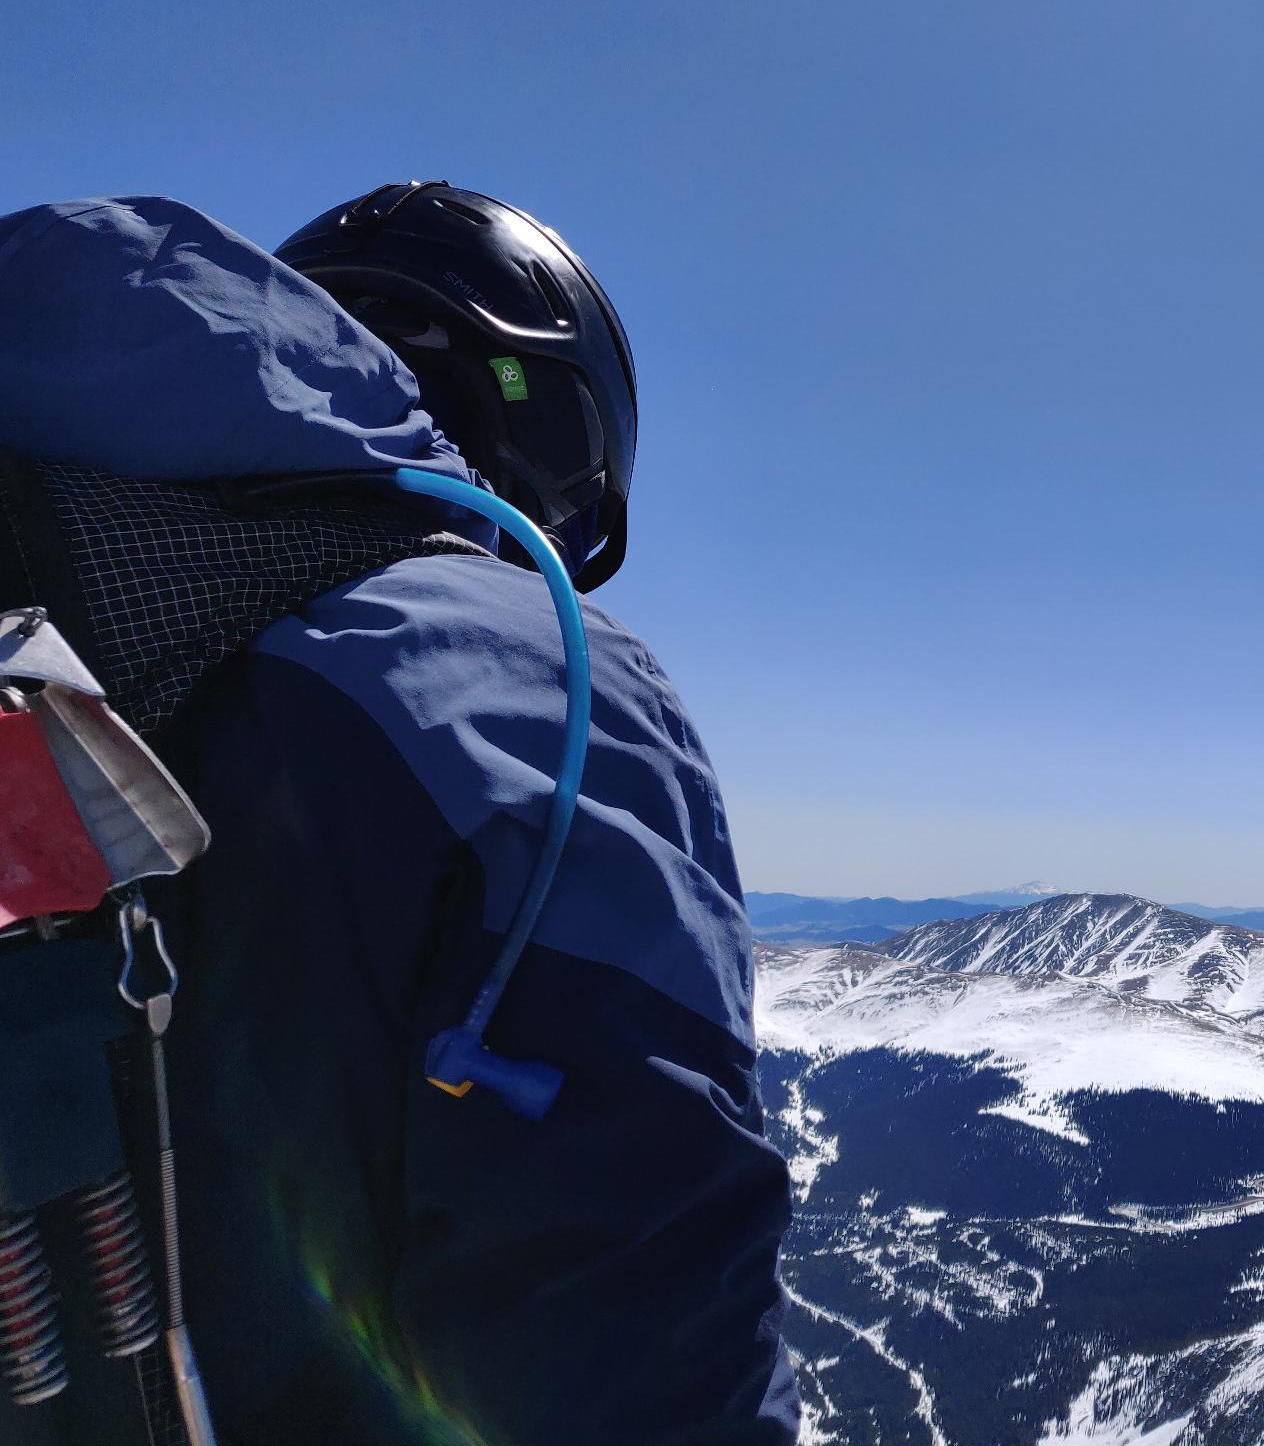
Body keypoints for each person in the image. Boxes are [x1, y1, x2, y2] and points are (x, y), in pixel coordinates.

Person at [0, 188, 798, 1444]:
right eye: (572, 513)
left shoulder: (50, 563)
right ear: (526, 417)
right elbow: (629, 1303)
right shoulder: (526, 668)